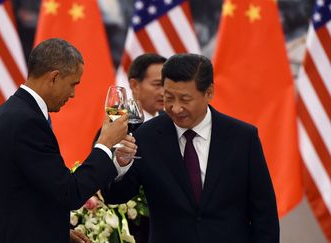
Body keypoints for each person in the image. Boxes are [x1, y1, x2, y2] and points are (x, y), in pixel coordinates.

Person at [103, 53, 279, 243]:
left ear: (209, 93)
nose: (176, 108)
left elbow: (264, 215)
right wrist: (120, 165)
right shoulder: (146, 136)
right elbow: (115, 196)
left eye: (185, 99)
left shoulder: (243, 137)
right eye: (169, 97)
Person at [0, 38, 135, 243]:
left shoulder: (10, 112)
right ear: (54, 77)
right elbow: (69, 192)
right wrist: (105, 143)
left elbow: (5, 193)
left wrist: (53, 232)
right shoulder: (26, 122)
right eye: (72, 84)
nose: (73, 94)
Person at [128, 53, 166, 121]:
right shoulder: (117, 125)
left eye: (166, 85)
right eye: (157, 84)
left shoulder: (172, 121)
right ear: (134, 85)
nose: (163, 93)